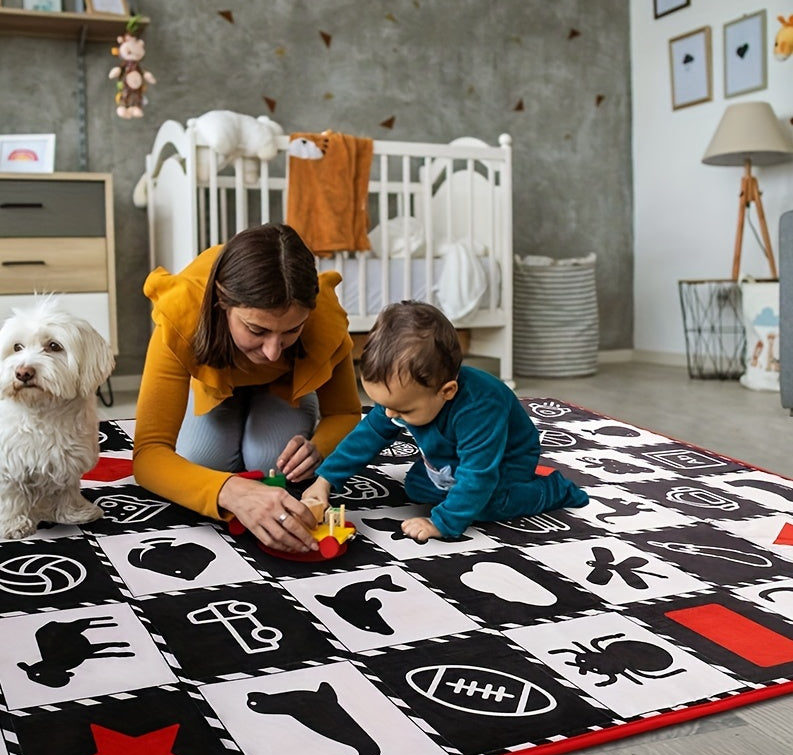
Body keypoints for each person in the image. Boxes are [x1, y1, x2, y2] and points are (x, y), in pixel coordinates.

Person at [133, 223, 363, 553]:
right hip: (212, 387)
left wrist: (321, 446)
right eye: (257, 330)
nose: (273, 351)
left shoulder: (324, 318)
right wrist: (229, 491)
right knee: (203, 461)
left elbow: (344, 412)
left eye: (291, 331)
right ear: (221, 305)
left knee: (274, 461)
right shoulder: (182, 313)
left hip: (283, 390)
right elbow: (149, 454)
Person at [301, 301, 588, 541]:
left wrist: (443, 523)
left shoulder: (479, 407)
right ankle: (457, 493)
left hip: (504, 460)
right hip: (450, 456)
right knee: (415, 486)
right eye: (384, 405)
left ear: (446, 391)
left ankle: (552, 490)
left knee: (483, 502)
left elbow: (478, 473)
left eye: (402, 410)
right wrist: (325, 480)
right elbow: (368, 435)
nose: (390, 415)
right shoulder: (402, 400)